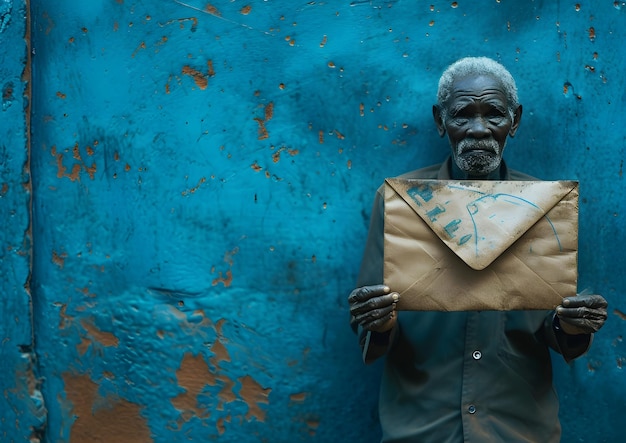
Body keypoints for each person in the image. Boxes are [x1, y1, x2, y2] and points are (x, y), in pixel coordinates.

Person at [348, 57, 608, 443]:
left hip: (518, 429)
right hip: (422, 429)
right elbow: (370, 323)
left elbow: (554, 324)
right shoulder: (399, 202)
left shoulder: (547, 207)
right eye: (462, 115)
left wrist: (571, 323)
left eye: (494, 115)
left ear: (514, 122)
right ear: (440, 122)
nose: (478, 130)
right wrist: (377, 319)